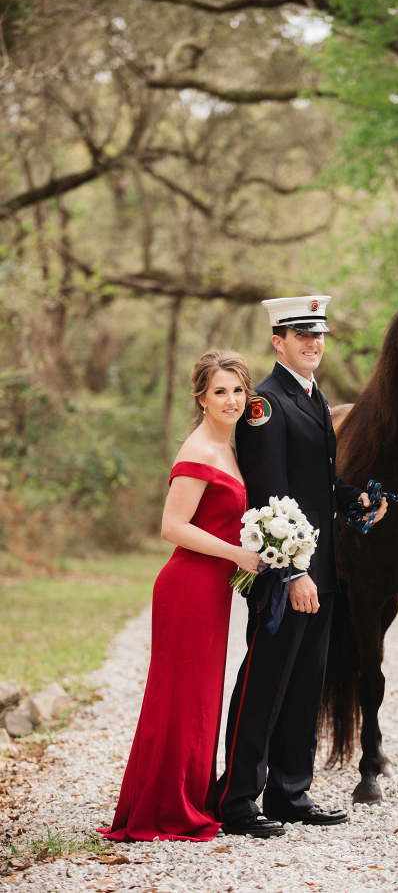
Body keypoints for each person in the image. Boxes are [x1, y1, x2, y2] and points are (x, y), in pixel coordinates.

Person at [214, 295, 387, 838]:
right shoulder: (265, 404)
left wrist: (353, 498)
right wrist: (293, 574)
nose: (315, 343)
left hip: (323, 571)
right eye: (301, 335)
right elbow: (270, 497)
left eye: (319, 335)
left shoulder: (313, 398)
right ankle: (238, 800)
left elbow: (312, 485)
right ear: (278, 342)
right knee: (265, 682)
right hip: (283, 576)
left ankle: (291, 793)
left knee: (306, 683)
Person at [99, 350, 260, 843]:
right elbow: (171, 527)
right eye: (220, 392)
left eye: (237, 390)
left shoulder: (228, 446)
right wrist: (238, 554)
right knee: (179, 698)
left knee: (198, 698)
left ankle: (188, 797)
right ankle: (166, 807)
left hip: (211, 591)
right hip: (188, 586)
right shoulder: (198, 451)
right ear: (201, 398)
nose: (231, 400)